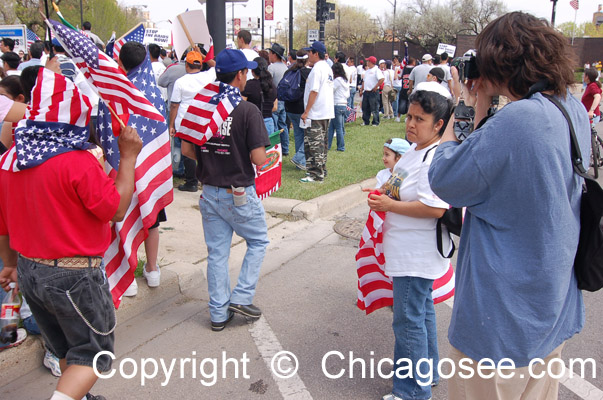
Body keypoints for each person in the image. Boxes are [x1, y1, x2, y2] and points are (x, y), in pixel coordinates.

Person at [428, 12, 588, 399]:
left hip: (499, 326)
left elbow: (444, 177)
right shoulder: (571, 107)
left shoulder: (519, 120)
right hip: (551, 309)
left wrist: (470, 104)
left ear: (500, 61)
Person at [0, 65, 142, 400]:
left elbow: (3, 225)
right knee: (94, 354)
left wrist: (8, 264)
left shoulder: (11, 160)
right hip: (74, 275)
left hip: (30, 271)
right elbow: (116, 209)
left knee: (66, 346)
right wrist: (128, 158)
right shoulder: (76, 161)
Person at [367, 81, 453, 400]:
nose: (411, 124)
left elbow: (435, 208)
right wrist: (382, 193)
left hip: (416, 256)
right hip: (408, 252)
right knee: (420, 313)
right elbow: (397, 184)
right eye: (410, 116)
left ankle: (412, 391)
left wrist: (389, 205)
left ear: (439, 124)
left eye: (420, 120)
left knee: (407, 322)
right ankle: (427, 373)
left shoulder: (433, 158)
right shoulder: (415, 151)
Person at [179, 49, 270, 332]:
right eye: (247, 72)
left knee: (217, 253)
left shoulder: (201, 105)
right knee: (258, 241)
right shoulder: (247, 110)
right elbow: (258, 159)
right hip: (238, 193)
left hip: (209, 191)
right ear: (240, 75)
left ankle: (218, 313)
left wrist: (211, 159)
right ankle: (241, 297)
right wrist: (269, 157)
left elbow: (186, 149)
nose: (248, 76)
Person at [117, 41, 167, 294]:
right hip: (150, 170)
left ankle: (127, 275)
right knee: (152, 219)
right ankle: (153, 268)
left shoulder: (116, 93)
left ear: (120, 62)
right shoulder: (155, 93)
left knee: (123, 218)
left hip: (124, 168)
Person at [170, 51, 216, 192]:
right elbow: (215, 65)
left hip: (185, 119)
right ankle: (207, 178)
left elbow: (174, 105)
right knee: (205, 149)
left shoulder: (180, 82)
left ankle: (191, 181)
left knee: (188, 151)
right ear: (201, 65)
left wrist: (171, 124)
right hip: (205, 118)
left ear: (186, 65)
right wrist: (204, 56)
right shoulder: (209, 76)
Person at [300, 41, 334, 183]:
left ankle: (315, 174)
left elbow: (314, 91)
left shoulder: (317, 69)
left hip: (316, 112)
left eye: (310, 52)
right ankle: (322, 170)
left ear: (316, 54)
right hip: (326, 112)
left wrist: (306, 111)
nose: (308, 54)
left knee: (313, 144)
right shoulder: (327, 68)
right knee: (322, 143)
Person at [284, 49, 311, 171]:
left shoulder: (290, 70)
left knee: (298, 134)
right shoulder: (308, 73)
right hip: (301, 108)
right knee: (309, 135)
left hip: (290, 107)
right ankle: (299, 159)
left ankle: (300, 163)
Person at [241, 57, 278, 135]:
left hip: (252, 121)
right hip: (268, 122)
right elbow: (275, 107)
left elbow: (241, 105)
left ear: (252, 71)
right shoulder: (272, 86)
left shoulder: (249, 85)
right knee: (268, 147)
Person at [267, 43, 289, 154]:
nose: (269, 55)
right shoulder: (285, 67)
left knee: (275, 126)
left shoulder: (271, 68)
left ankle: (276, 149)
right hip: (284, 100)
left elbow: (268, 83)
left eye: (270, 53)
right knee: (283, 124)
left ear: (274, 54)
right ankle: (285, 148)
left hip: (274, 100)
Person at [327, 62, 349, 152]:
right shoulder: (345, 80)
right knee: (331, 127)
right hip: (343, 104)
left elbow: (330, 90)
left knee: (339, 128)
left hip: (336, 105)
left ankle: (341, 147)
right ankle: (327, 145)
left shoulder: (336, 81)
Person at [360, 56, 384, 126]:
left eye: (368, 61)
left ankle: (376, 122)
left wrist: (376, 87)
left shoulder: (376, 70)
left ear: (371, 62)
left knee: (374, 107)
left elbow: (382, 79)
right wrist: (361, 90)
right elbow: (364, 81)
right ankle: (366, 121)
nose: (367, 62)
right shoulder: (367, 71)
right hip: (366, 91)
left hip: (373, 92)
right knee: (365, 107)